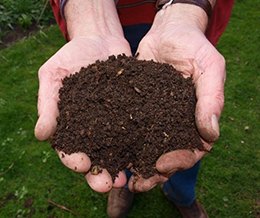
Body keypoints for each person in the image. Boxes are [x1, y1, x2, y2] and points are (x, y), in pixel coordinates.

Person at [35, 0, 235, 217]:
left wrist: (185, 12)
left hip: (186, 15)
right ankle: (123, 184)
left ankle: (183, 196)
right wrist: (92, 15)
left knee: (189, 136)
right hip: (111, 16)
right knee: (124, 144)